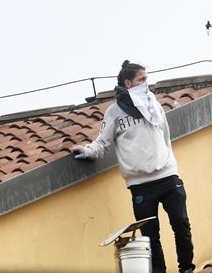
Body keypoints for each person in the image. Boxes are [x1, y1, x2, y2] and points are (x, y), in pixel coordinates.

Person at [73, 61, 195, 273]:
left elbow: (165, 136)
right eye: (142, 79)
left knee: (181, 224)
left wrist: (168, 162)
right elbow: (102, 143)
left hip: (168, 177)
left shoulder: (153, 104)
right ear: (128, 83)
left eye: (146, 78)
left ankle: (187, 268)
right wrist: (86, 151)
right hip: (141, 187)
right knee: (149, 237)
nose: (146, 83)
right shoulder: (114, 112)